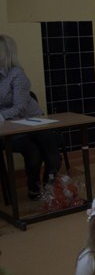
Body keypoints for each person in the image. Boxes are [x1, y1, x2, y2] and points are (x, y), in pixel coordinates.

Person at [0, 34, 61, 200]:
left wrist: (1, 115)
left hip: (32, 121)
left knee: (52, 155)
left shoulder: (17, 74)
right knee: (33, 153)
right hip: (9, 128)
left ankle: (49, 187)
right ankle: (33, 187)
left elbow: (19, 107)